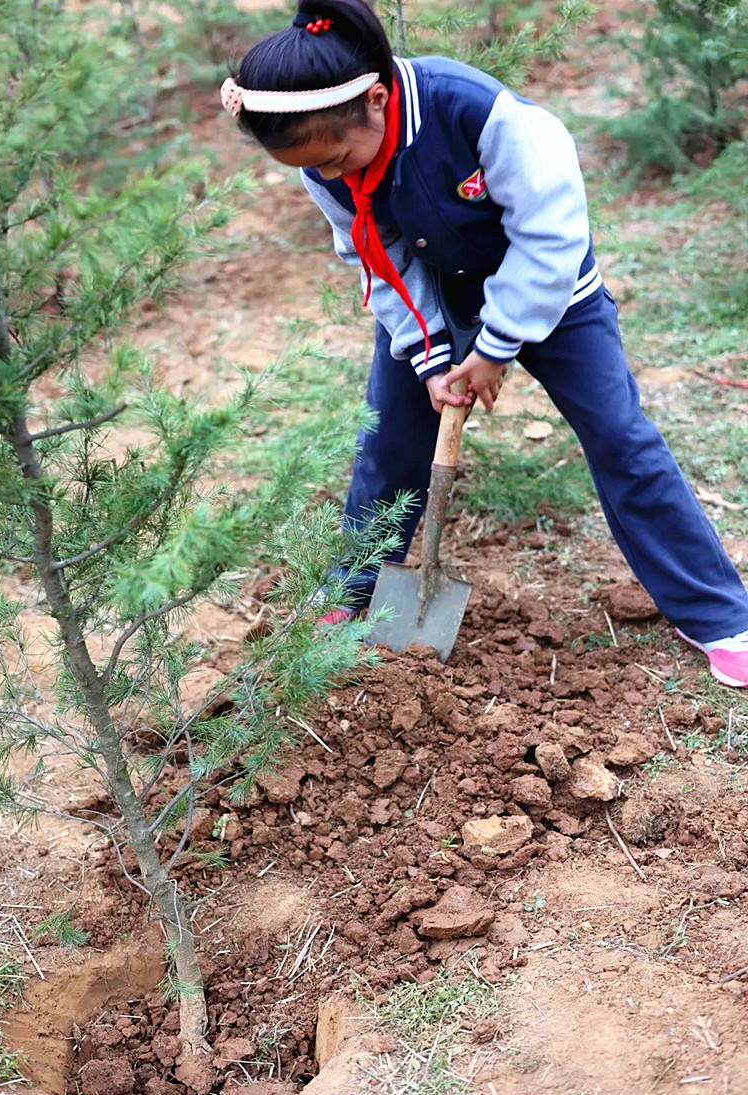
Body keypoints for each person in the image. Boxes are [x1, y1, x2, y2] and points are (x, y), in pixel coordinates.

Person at [221, 0, 748, 688]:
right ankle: (351, 591)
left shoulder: (484, 115)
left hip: (550, 293)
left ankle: (718, 614)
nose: (330, 177)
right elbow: (375, 258)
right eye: (313, 169)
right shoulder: (322, 162)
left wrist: (497, 346)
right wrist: (433, 355)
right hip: (433, 298)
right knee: (387, 450)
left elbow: (550, 237)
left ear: (377, 101)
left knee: (621, 439)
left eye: (338, 158)